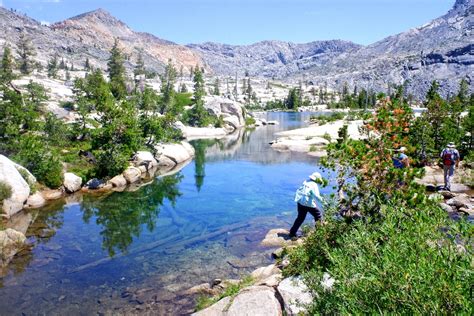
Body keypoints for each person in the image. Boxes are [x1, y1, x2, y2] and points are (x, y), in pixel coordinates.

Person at [289, 172, 324, 239]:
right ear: (317, 179)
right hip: (307, 203)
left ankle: (292, 233)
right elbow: (317, 196)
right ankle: (319, 234)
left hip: (300, 202)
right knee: (318, 216)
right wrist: (324, 202)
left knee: (300, 218)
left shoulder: (306, 181)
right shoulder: (314, 185)